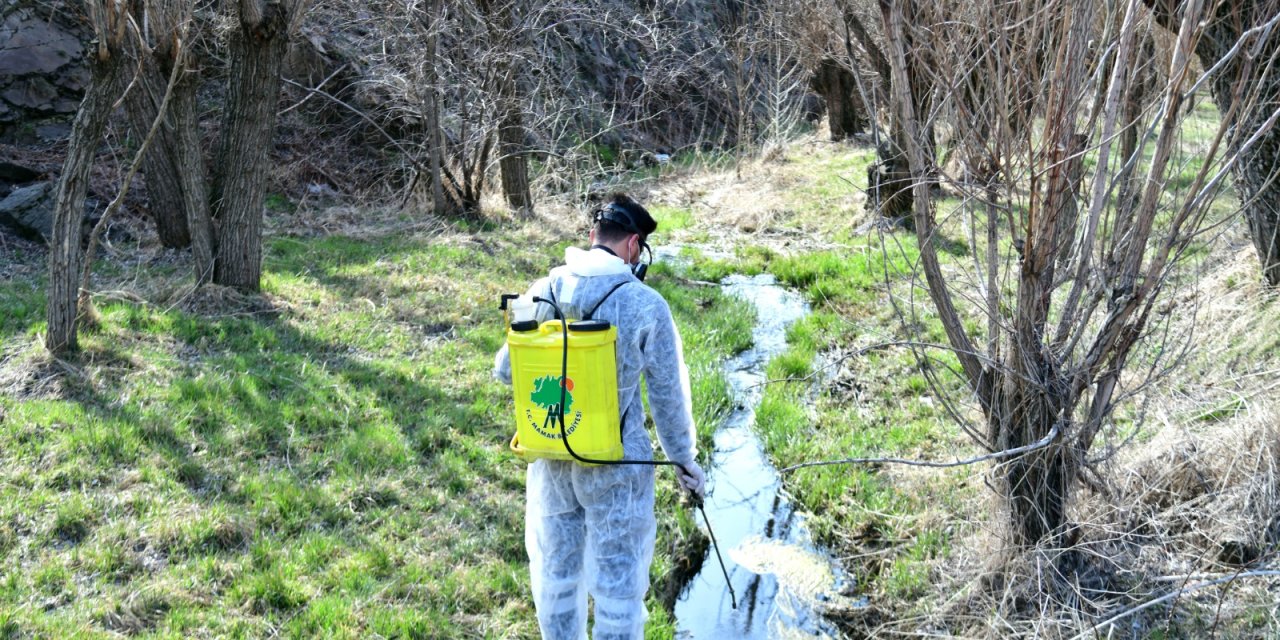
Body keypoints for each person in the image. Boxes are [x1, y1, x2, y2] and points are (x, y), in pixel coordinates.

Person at [493, 193, 706, 639]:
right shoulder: (646, 305)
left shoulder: (544, 288)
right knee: (617, 591)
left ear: (592, 236)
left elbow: (504, 369)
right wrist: (685, 463)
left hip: (554, 454)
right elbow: (667, 398)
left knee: (557, 579)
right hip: (617, 470)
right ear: (633, 246)